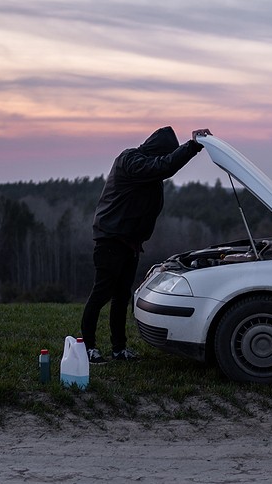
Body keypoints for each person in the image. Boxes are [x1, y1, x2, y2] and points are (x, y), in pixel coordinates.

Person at [81, 126, 203, 364]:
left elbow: (161, 170)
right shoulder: (131, 160)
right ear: (158, 150)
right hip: (111, 238)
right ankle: (88, 348)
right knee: (101, 293)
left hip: (129, 242)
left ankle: (119, 349)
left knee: (121, 296)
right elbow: (164, 166)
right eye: (165, 154)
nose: (166, 159)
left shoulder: (148, 173)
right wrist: (192, 146)